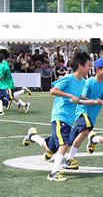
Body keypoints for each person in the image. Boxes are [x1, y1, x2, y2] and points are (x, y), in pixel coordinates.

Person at [22, 52, 91, 181]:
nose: (89, 68)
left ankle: (33, 136)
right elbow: (53, 91)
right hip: (60, 116)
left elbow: (79, 97)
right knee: (64, 143)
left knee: (50, 148)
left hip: (69, 119)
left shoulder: (83, 82)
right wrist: (70, 96)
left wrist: (90, 101)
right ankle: (54, 172)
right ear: (80, 66)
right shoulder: (69, 78)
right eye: (88, 65)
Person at [63, 58, 103, 170]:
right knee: (83, 131)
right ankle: (68, 157)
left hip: (92, 116)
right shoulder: (89, 81)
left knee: (81, 134)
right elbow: (82, 96)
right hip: (82, 111)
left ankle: (62, 152)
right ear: (97, 69)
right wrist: (92, 100)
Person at [0, 49, 31, 114]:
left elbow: (1, 76)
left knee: (10, 97)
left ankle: (24, 103)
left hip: (7, 85)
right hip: (3, 84)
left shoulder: (3, 65)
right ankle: (1, 111)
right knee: (7, 96)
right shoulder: (4, 63)